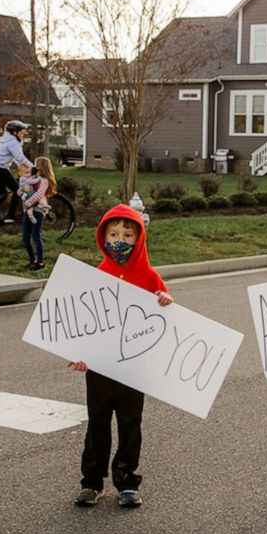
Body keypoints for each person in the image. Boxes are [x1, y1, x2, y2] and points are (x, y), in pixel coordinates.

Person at [67, 204, 173, 508]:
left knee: (130, 424)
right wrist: (79, 354)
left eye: (128, 235)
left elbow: (164, 315)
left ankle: (127, 481)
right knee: (97, 424)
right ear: (103, 236)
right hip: (99, 368)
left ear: (139, 239)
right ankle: (92, 482)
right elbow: (84, 322)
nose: (120, 240)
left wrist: (165, 299)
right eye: (114, 234)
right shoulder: (97, 275)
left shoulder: (150, 277)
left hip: (133, 369)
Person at [0, 119, 32, 221]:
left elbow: (16, 159)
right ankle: (10, 215)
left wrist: (23, 167)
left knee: (3, 194)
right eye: (21, 133)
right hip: (1, 169)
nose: (23, 135)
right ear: (15, 132)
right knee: (18, 190)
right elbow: (20, 158)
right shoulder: (13, 143)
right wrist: (33, 167)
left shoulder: (8, 141)